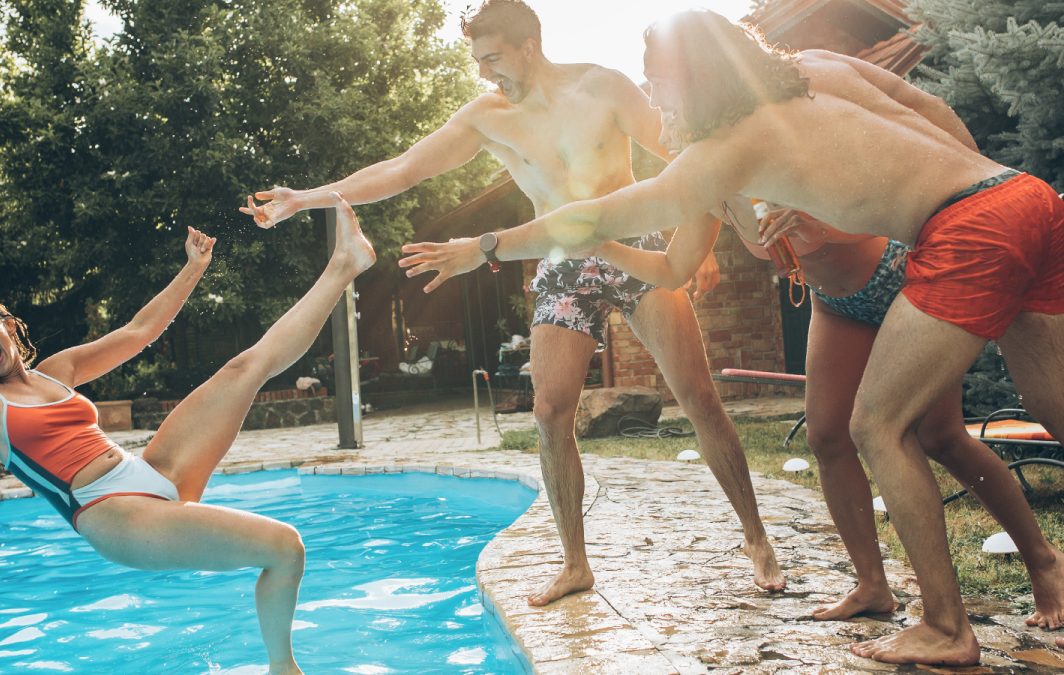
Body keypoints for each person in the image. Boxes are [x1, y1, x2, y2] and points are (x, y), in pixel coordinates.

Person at [396, 9, 1064, 667]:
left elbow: (597, 212)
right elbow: (922, 106)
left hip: (960, 234)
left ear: (693, 80)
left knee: (879, 425)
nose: (651, 98)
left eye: (657, 82)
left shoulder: (725, 151)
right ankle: (942, 580)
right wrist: (982, 186)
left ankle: (947, 625)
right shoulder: (808, 74)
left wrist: (485, 244)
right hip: (1021, 197)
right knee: (1051, 409)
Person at [240, 0, 784, 606]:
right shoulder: (486, 117)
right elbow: (403, 169)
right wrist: (307, 198)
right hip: (561, 262)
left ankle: (757, 538)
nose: (484, 72)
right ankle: (575, 563)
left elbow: (684, 155)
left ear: (529, 46)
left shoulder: (602, 87)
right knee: (550, 410)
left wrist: (695, 240)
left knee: (699, 397)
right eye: (477, 61)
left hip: (634, 243)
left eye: (492, 58)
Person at [593, 197, 1064, 625]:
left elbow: (894, 208)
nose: (661, 112)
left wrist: (821, 220)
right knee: (826, 437)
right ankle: (872, 586)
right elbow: (673, 267)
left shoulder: (782, 141)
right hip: (835, 300)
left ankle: (1044, 564)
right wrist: (600, 243)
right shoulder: (710, 185)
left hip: (898, 278)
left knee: (941, 438)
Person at [0, 197, 375, 675]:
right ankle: (284, 669)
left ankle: (344, 264)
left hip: (147, 469)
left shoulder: (56, 371)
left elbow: (140, 330)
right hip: (110, 514)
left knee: (244, 367)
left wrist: (194, 267)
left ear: (4, 324)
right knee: (285, 548)